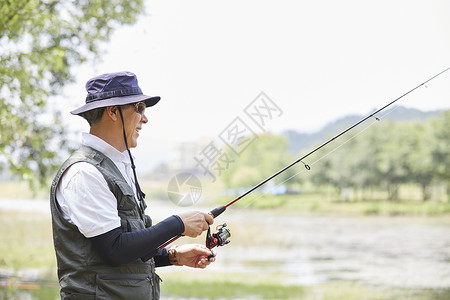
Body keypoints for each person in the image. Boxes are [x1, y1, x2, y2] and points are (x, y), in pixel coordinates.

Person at [50, 71, 215, 300]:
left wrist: (174, 256)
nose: (144, 118)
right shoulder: (85, 172)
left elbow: (126, 249)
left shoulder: (118, 167)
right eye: (139, 108)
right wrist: (178, 224)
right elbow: (115, 250)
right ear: (113, 111)